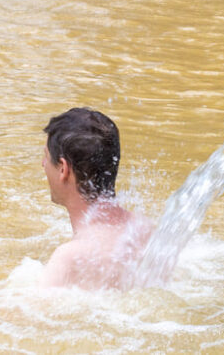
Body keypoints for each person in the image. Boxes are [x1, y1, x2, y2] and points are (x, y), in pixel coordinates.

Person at [39, 107, 152, 290]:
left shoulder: (69, 259)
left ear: (63, 169)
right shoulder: (145, 230)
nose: (43, 164)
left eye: (45, 156)